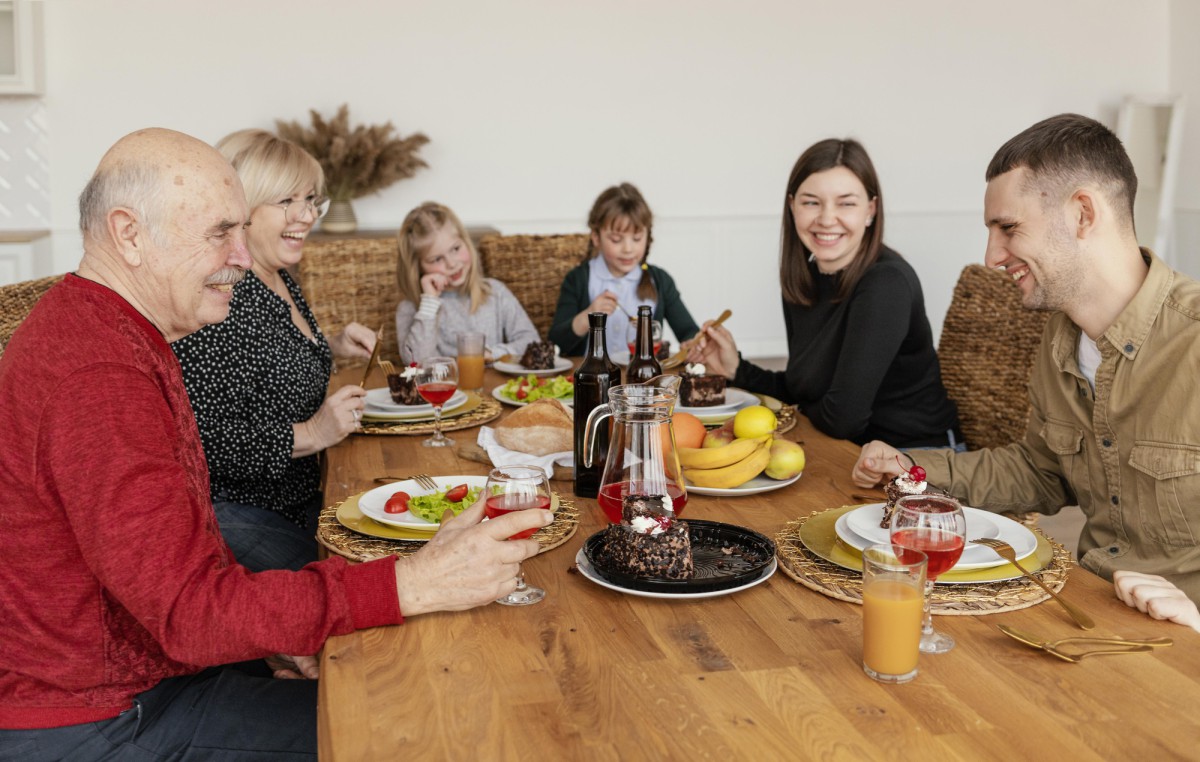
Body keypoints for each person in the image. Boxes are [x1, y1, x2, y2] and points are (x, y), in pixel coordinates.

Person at [0, 128, 551, 758]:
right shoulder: (100, 375)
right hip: (98, 718)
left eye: (242, 231)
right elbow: (190, 613)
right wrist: (411, 583)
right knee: (422, 728)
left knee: (397, 687)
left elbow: (168, 572)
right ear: (129, 234)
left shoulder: (107, 332)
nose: (241, 256)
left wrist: (269, 634)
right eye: (219, 233)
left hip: (150, 675)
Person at [851, 113, 1200, 632]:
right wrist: (912, 470)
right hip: (1087, 615)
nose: (992, 256)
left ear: (1083, 213)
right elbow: (1041, 471)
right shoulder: (1059, 338)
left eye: (1008, 228)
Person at [172, 129, 373, 572]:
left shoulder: (277, 277)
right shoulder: (224, 295)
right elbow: (200, 438)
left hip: (302, 494)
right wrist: (314, 434)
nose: (306, 214)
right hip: (239, 513)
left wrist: (330, 349)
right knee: (366, 578)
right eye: (286, 201)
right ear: (242, 209)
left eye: (310, 199)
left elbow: (267, 370)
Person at [690, 139, 961, 448]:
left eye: (846, 203)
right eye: (811, 202)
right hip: (846, 450)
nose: (827, 218)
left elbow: (842, 418)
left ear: (870, 210)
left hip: (916, 457)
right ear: (792, 206)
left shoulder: (886, 283)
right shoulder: (804, 279)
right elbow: (804, 389)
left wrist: (796, 412)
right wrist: (735, 369)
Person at [549, 183, 699, 357]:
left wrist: (693, 344)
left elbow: (688, 331)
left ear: (647, 236)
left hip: (643, 380)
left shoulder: (659, 281)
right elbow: (557, 342)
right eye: (616, 239)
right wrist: (588, 316)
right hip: (593, 381)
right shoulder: (578, 279)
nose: (628, 249)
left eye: (636, 238)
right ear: (596, 238)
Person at [395, 201, 540, 363]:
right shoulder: (411, 308)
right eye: (437, 259)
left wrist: (494, 353)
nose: (451, 264)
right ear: (418, 268)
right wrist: (429, 303)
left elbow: (531, 340)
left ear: (466, 242)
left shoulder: (495, 292)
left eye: (456, 249)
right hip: (448, 388)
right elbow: (416, 362)